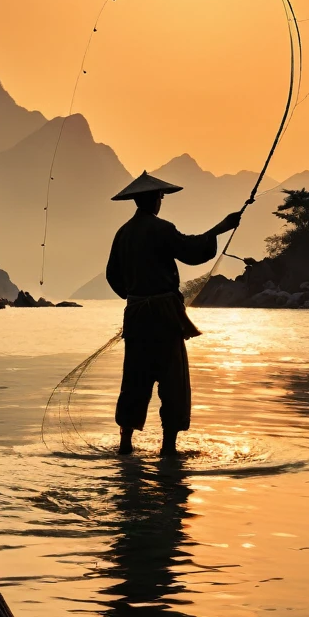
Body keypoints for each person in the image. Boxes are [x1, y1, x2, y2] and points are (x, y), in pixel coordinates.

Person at [106, 170, 241, 456]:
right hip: (165, 317)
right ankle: (168, 449)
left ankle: (125, 444)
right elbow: (192, 252)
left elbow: (112, 277)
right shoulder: (162, 229)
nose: (160, 201)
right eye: (160, 197)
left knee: (135, 378)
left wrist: (135, 296)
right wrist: (220, 228)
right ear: (154, 199)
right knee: (173, 379)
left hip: (136, 317)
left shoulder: (123, 233)